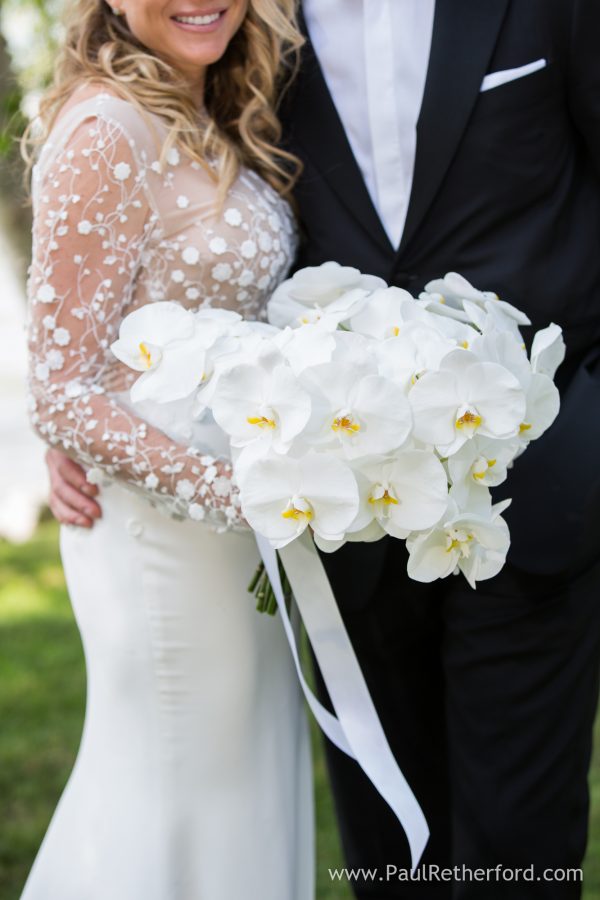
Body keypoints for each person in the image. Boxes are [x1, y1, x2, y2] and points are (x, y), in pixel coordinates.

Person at [45, 0, 600, 898]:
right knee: (380, 855)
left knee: (518, 857)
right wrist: (80, 421)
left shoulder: (237, 50)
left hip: (530, 499)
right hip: (326, 533)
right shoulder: (256, 34)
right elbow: (84, 342)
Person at [22, 2, 314, 899]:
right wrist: (239, 494)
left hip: (239, 537)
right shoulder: (108, 126)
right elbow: (63, 388)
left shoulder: (213, 109)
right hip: (165, 541)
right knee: (170, 789)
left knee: (244, 785)